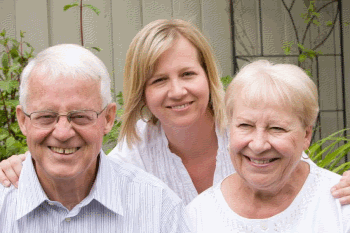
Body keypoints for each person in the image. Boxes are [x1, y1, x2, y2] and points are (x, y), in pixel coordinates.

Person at [1, 19, 350, 206]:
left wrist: (343, 186)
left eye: (187, 74)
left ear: (207, 76)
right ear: (142, 91)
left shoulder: (246, 133)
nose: (177, 91)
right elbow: (86, 171)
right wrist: (28, 165)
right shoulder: (136, 151)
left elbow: (305, 176)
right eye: (159, 80)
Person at [0, 44, 191, 233]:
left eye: (80, 116)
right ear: (23, 121)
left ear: (108, 118)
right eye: (46, 117)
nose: (63, 133)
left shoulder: (158, 209)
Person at [186, 60, 350, 232]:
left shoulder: (340, 205)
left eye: (276, 128)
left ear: (306, 135)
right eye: (245, 126)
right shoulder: (199, 216)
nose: (258, 145)